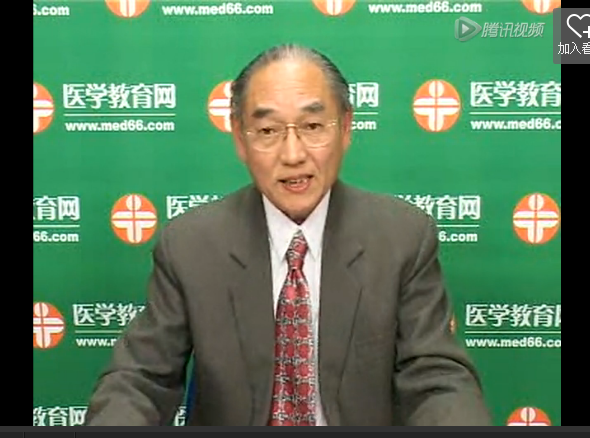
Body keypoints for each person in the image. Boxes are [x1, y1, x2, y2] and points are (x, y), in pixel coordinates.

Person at [83, 43, 492, 426]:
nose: (293, 154)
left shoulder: (401, 237)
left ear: (346, 128)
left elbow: (436, 378)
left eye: (313, 125)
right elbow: (140, 378)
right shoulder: (191, 245)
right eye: (268, 131)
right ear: (240, 139)